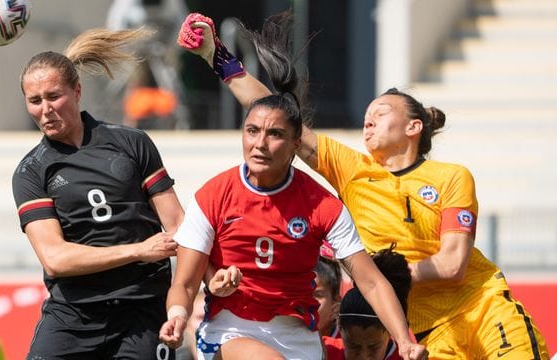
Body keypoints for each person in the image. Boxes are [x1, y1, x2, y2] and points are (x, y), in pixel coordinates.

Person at [179, 11, 550, 359]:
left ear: (414, 127)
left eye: (382, 112)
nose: (368, 119)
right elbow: (275, 114)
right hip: (423, 329)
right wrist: (217, 56)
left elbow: (453, 264)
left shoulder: (452, 176)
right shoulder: (350, 168)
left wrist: (372, 277)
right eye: (367, 114)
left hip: (478, 304)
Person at [159, 12, 427, 360]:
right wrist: (178, 317)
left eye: (274, 135)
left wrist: (404, 340)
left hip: (299, 338)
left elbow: (371, 281)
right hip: (231, 331)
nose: (260, 144)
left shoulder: (324, 204)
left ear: (295, 143)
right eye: (252, 132)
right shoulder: (215, 195)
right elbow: (184, 282)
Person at [11, 27, 184, 359]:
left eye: (53, 96)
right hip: (74, 313)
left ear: (77, 91)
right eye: (35, 101)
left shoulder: (132, 143)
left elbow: (178, 225)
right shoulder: (31, 171)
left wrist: (188, 297)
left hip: (142, 310)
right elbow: (56, 259)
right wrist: (138, 250)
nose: (45, 109)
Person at [324, 245, 412, 360]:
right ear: (339, 327)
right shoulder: (322, 351)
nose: (363, 357)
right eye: (353, 346)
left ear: (391, 332)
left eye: (373, 348)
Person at [315, 245, 344, 340]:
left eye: (317, 295)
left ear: (335, 304)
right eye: (300, 294)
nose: (307, 302)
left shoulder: (348, 346)